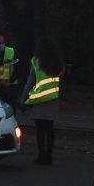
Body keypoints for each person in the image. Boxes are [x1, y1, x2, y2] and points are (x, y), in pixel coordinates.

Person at [20, 37, 63, 165]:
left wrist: (23, 98)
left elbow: (30, 81)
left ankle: (41, 155)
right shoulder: (57, 61)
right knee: (50, 128)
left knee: (40, 129)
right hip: (53, 97)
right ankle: (49, 156)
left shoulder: (36, 61)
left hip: (39, 98)